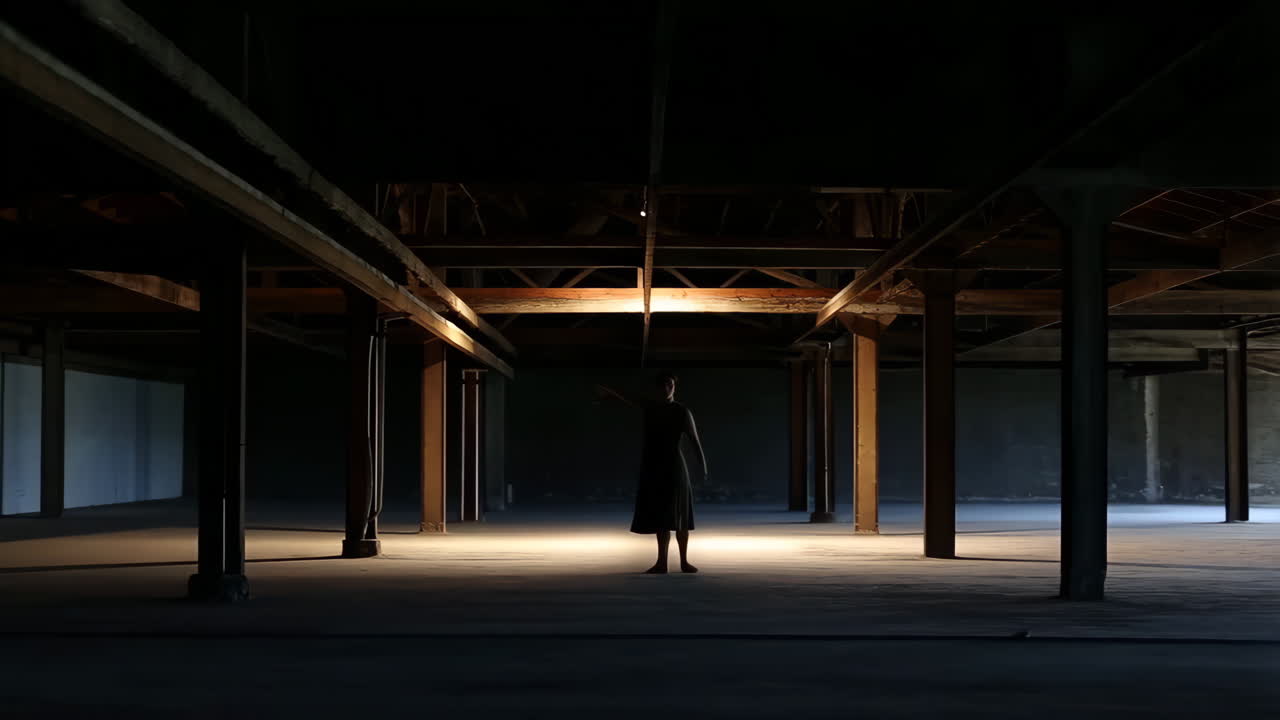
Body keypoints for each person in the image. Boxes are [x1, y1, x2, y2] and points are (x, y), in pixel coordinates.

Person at [597, 371, 707, 574]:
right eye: (662, 385)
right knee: (662, 516)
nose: (666, 389)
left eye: (669, 385)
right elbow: (629, 397)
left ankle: (684, 561)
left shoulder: (682, 412)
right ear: (657, 388)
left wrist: (703, 466)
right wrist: (610, 391)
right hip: (655, 467)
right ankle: (662, 562)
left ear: (674, 387)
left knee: (680, 515)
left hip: (675, 467)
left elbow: (694, 440)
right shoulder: (651, 407)